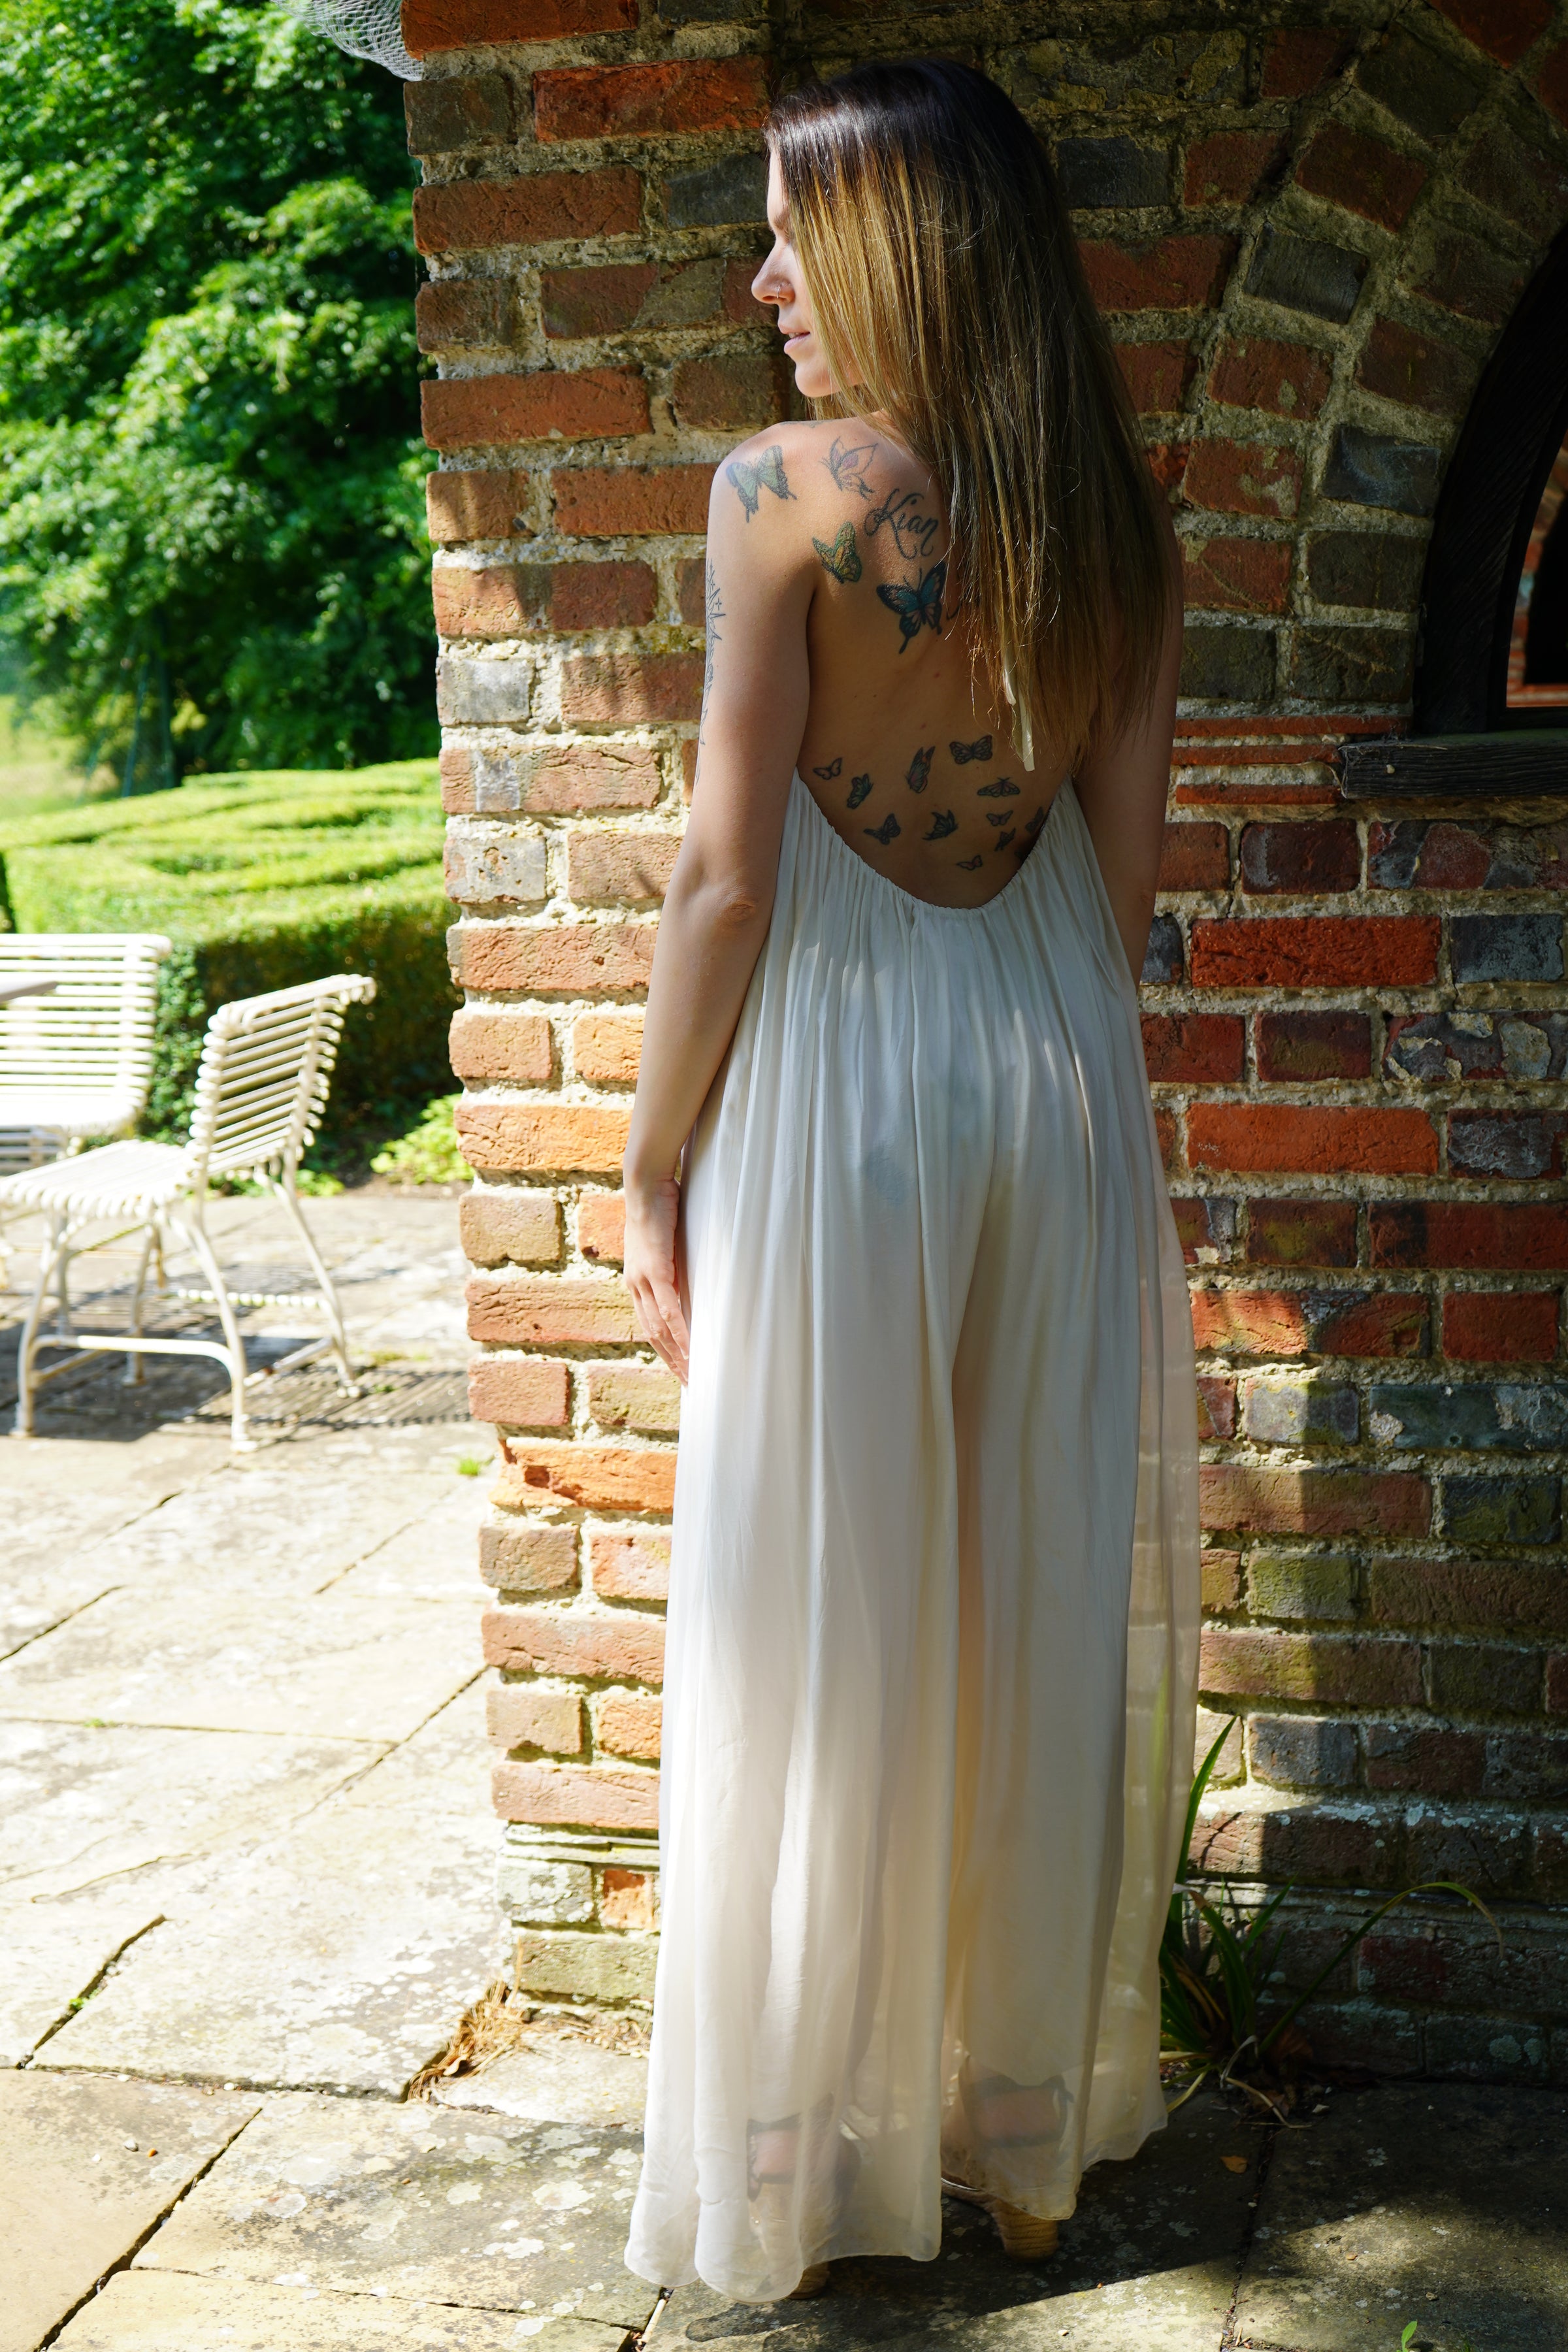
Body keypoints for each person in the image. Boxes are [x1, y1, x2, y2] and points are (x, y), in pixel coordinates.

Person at [618, 56, 1200, 2307]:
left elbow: (723, 879)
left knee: (813, 1601)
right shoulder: (1115, 521)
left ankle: (791, 2161)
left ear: (896, 245)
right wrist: (1041, 1065)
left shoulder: (783, 494)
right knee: (1028, 1579)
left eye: (791, 236)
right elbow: (1120, 889)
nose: (763, 282)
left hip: (840, 1080)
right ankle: (1027, 2140)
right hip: (1050, 1061)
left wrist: (653, 1164)